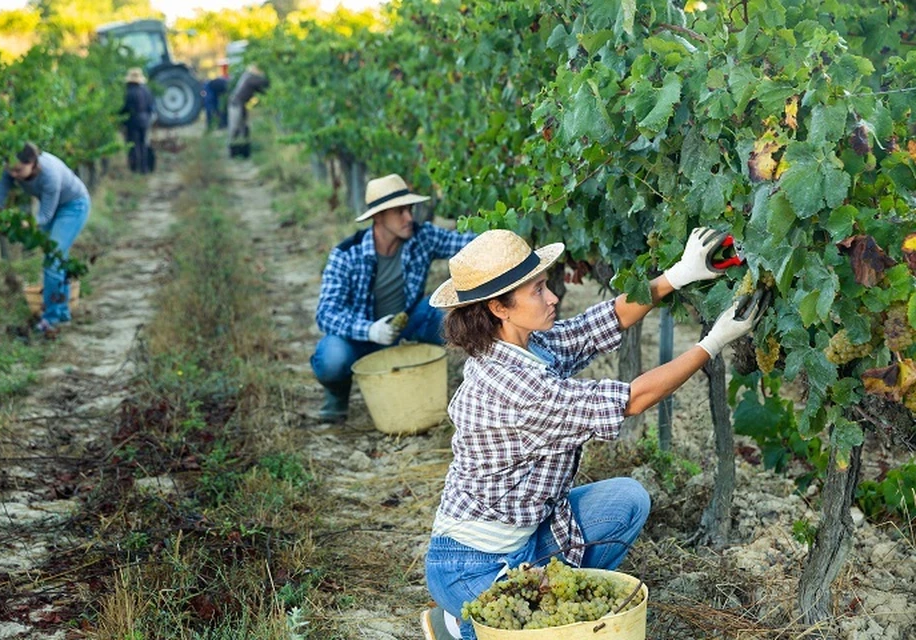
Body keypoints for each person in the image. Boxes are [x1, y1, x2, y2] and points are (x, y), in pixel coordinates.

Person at [420, 228, 767, 640]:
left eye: (546, 286)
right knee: (548, 630)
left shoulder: (524, 345)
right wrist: (712, 343)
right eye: (537, 291)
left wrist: (678, 275)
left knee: (627, 501)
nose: (551, 297)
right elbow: (633, 399)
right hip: (468, 564)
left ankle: (494, 609)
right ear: (499, 308)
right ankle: (462, 622)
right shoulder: (514, 390)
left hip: (527, 536)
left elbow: (600, 323)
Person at [311, 174, 477, 422]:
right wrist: (369, 330)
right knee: (333, 358)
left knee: (441, 311)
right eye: (400, 212)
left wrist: (510, 238)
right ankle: (337, 394)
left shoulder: (422, 237)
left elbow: (468, 244)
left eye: (409, 209)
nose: (409, 217)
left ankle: (476, 385)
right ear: (378, 217)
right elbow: (326, 313)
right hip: (360, 337)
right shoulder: (346, 254)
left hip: (407, 324)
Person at [0, 142, 91, 336]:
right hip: (54, 209)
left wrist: (20, 225)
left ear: (33, 162)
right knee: (57, 258)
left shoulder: (49, 174)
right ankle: (62, 312)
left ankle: (50, 319)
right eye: (11, 170)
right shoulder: (12, 168)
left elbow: (44, 216)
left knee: (52, 257)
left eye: (19, 170)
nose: (14, 174)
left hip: (73, 206)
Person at [227, 63, 269, 157]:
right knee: (236, 127)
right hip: (237, 104)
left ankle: (241, 149)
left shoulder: (247, 77)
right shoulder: (250, 78)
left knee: (243, 127)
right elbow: (264, 83)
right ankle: (234, 149)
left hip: (239, 104)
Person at [120, 67, 155, 174]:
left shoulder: (129, 92)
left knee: (134, 145)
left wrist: (119, 118)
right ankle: (144, 168)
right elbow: (151, 106)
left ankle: (135, 168)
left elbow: (126, 109)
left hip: (133, 121)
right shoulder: (146, 90)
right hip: (145, 120)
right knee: (143, 144)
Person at [203, 63, 229, 131]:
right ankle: (210, 125)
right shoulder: (228, 84)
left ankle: (222, 124)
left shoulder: (228, 82)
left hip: (217, 92)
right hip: (210, 89)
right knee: (210, 108)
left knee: (221, 107)